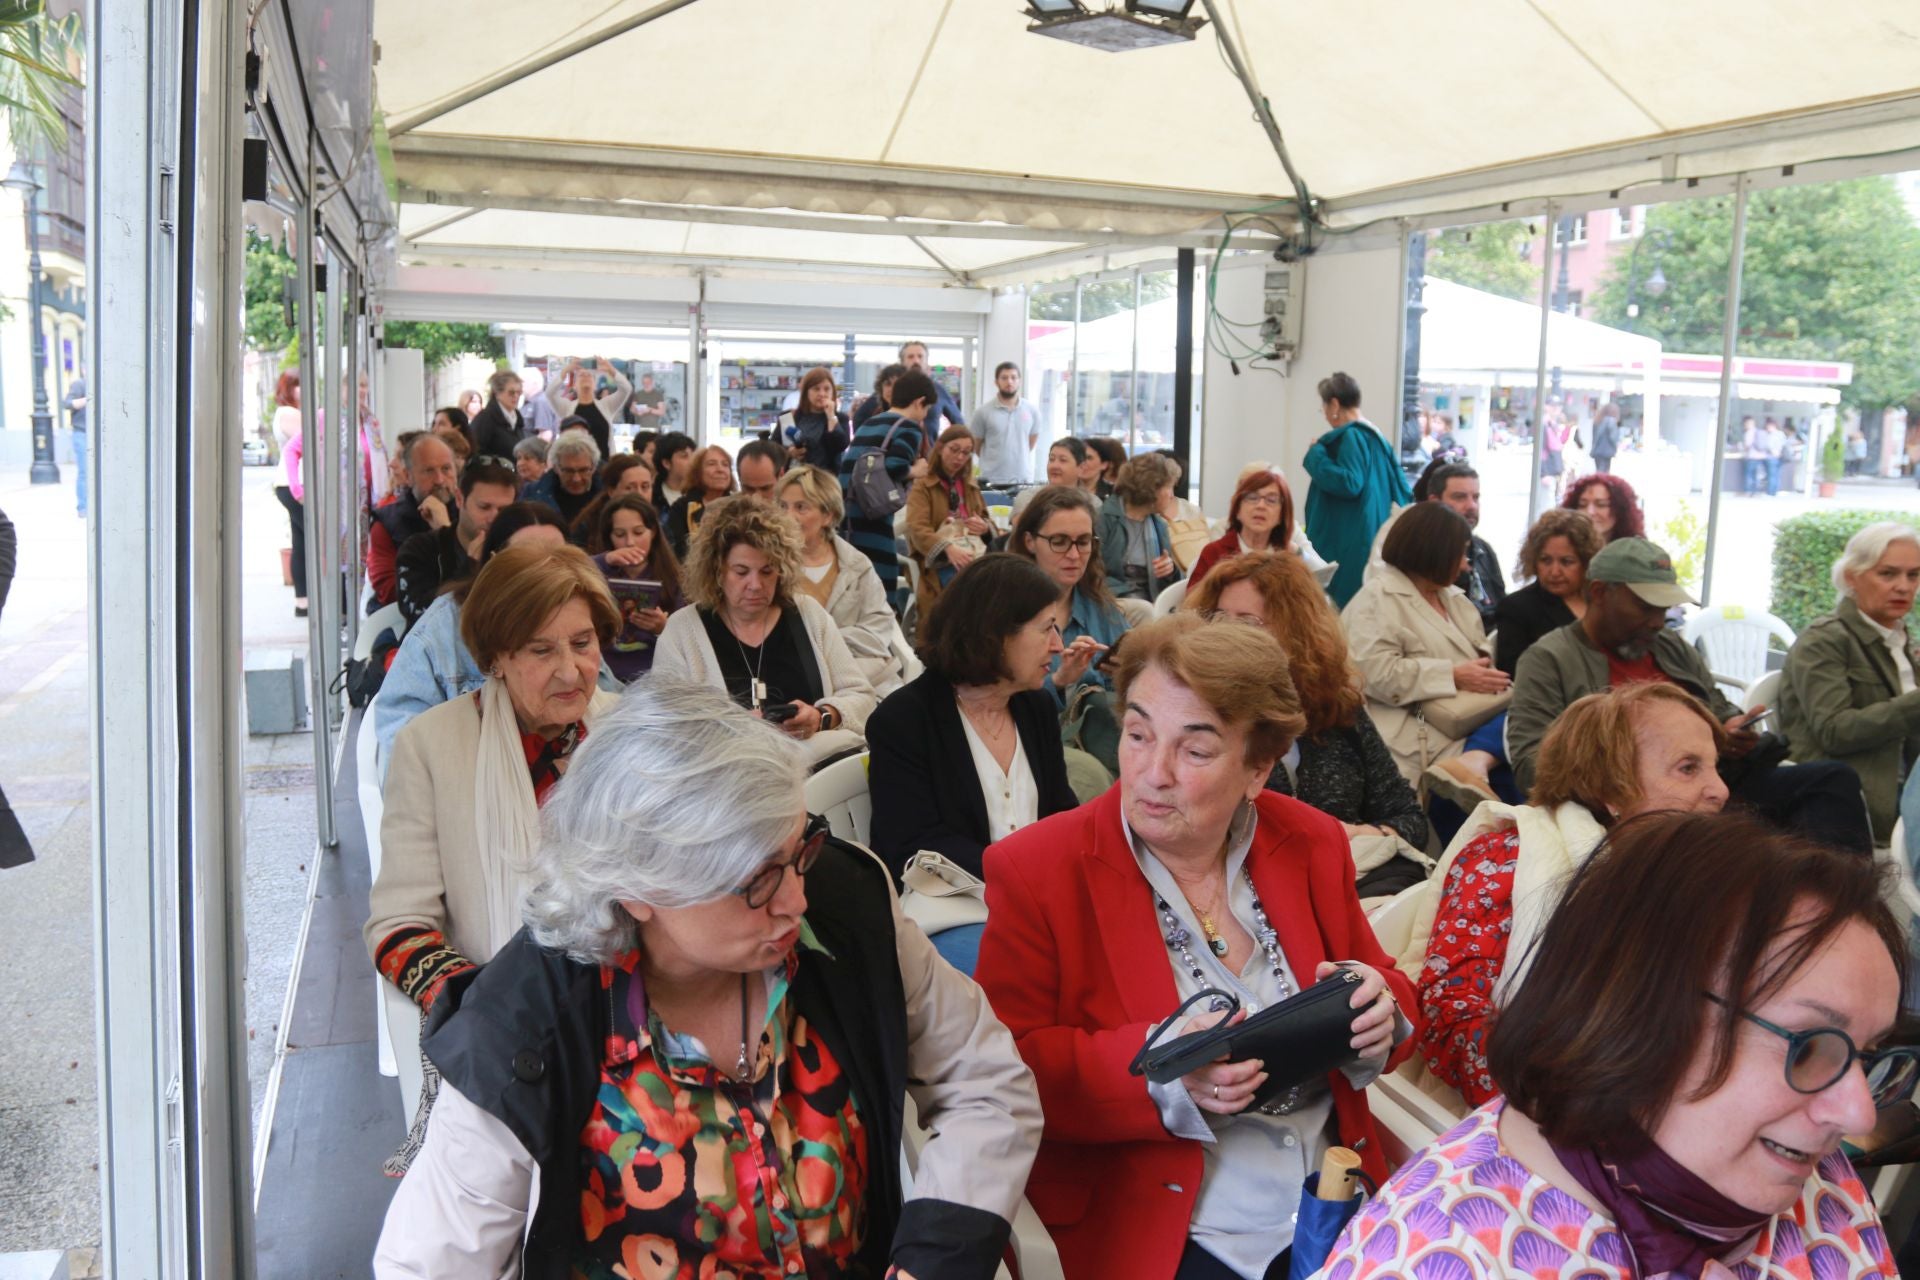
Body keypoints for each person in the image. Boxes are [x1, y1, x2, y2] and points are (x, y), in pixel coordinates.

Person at [372, 680, 1042, 1279]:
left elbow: (984, 1078)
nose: (795, 902)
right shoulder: (524, 1029)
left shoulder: (847, 912)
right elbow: (426, 1262)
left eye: (797, 848)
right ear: (635, 889)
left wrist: (938, 1254)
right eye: (753, 882)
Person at [974, 614, 1416, 1280]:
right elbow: (1007, 1069)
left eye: (1196, 750)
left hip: (1330, 1196)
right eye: (1138, 734)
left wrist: (1385, 1010)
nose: (1153, 773)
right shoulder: (1037, 870)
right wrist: (1164, 1073)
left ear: (1258, 767)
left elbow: (1381, 980)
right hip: (1166, 1218)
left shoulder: (1311, 842)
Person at [1324, 809, 1910, 1280]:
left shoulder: (1797, 1165)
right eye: (1808, 1046)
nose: (1859, 1112)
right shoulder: (1437, 1258)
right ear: (1638, 1007)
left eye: (1866, 1055)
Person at [1408, 683, 1729, 1106]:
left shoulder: (1693, 875)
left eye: (1715, 767)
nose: (1720, 790)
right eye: (1688, 768)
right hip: (1543, 1121)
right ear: (1612, 789)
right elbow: (1450, 1023)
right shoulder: (1508, 859)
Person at [366, 543, 622, 1015]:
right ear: (496, 658)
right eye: (541, 650)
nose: (571, 671)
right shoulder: (430, 746)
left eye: (583, 643)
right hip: (498, 1016)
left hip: (626, 1008)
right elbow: (399, 925)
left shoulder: (628, 733)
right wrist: (483, 1007)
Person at [1510, 536, 1873, 853]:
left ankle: (1839, 902)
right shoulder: (1549, 660)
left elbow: (1717, 706)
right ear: (1601, 592)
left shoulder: (1669, 646)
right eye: (1645, 606)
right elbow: (1530, 766)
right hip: (1631, 806)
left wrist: (1730, 730)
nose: (1657, 620)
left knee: (1831, 780)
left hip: (1713, 784)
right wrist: (1622, 761)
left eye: (1664, 608)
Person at [867, 555, 1078, 971]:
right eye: (1046, 628)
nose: (1058, 644)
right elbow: (911, 843)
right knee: (1026, 970)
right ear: (996, 634)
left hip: (1037, 898)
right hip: (955, 907)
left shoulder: (1034, 707)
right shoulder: (905, 720)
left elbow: (1061, 810)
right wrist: (1021, 877)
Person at [1187, 551, 1429, 891]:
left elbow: (1409, 819)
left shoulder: (1336, 707)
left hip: (1349, 885)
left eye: (1246, 622)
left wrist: (1357, 835)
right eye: (1218, 619)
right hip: (1246, 902)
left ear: (1293, 633)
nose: (1226, 635)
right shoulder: (1196, 720)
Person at [653, 497, 876, 768]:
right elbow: (665, 726)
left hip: (817, 777)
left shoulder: (808, 614)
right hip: (727, 785)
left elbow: (862, 697)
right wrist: (733, 729)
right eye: (741, 572)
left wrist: (821, 717)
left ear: (782, 571)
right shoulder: (683, 631)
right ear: (717, 571)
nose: (755, 585)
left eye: (767, 571)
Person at [374, 503, 571, 769]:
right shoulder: (444, 626)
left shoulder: (576, 618)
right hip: (470, 790)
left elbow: (609, 712)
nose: (544, 571)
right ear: (494, 561)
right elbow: (401, 743)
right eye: (527, 558)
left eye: (559, 559)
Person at [1343, 502, 1509, 792]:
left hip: (1470, 718)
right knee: (1501, 776)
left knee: (1524, 727)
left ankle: (1476, 765)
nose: (1465, 564)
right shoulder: (1376, 601)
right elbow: (1375, 674)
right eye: (1460, 553)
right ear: (1435, 552)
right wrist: (1453, 676)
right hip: (1415, 728)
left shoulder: (1455, 599)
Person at [1779, 522, 1920, 844]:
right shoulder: (1824, 640)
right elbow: (1835, 731)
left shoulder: (1897, 640)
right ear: (1851, 578)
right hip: (1859, 799)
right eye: (1888, 574)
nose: (1904, 586)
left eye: (1913, 575)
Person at [777, 465, 905, 697]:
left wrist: (822, 640)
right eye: (782, 506)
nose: (788, 516)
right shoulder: (770, 568)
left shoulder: (857, 565)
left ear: (828, 515)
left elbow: (878, 632)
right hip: (793, 679)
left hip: (862, 676)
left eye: (801, 507)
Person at [1301, 371, 1411, 607]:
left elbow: (1349, 483)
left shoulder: (1351, 436)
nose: (1324, 413)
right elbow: (1402, 489)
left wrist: (1316, 453)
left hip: (1349, 541)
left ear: (1334, 404)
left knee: (1340, 609)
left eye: (1323, 405)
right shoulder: (1377, 438)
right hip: (1371, 536)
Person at [1008, 485, 1125, 704]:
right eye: (1059, 542)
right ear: (1029, 542)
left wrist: (1125, 674)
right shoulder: (1004, 610)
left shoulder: (1101, 608)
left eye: (1083, 542)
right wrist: (1059, 681)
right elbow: (993, 701)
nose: (1073, 555)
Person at [1367, 460, 1506, 629]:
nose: (1471, 506)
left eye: (1475, 497)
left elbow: (1501, 609)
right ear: (1434, 501)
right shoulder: (1415, 552)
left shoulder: (1483, 550)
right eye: (1460, 497)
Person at [840, 369, 935, 606]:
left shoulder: (871, 422)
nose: (924, 416)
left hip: (847, 515)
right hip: (872, 516)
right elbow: (895, 466)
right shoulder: (909, 427)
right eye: (926, 410)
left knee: (854, 591)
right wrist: (918, 469)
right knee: (881, 593)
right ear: (919, 402)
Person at [393, 456, 520, 627]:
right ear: (459, 499)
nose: (494, 518)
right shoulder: (420, 549)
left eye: (504, 510)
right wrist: (470, 571)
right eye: (484, 507)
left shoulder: (518, 550)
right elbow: (419, 614)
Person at [582, 494, 684, 683]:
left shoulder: (673, 578)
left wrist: (662, 628)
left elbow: (687, 639)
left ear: (653, 532)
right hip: (605, 675)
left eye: (638, 532)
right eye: (620, 535)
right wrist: (605, 559)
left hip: (655, 676)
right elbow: (568, 571)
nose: (630, 542)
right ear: (609, 536)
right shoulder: (598, 571)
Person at [904, 423, 992, 634]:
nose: (960, 458)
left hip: (973, 553)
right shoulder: (924, 485)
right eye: (954, 450)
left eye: (966, 453)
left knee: (998, 580)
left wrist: (984, 527)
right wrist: (947, 548)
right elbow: (917, 528)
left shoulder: (970, 485)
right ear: (941, 447)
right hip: (937, 561)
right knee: (967, 586)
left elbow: (988, 521)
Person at [1493, 506, 1602, 676]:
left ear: (1587, 562)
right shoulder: (1516, 608)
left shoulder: (1601, 601)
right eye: (1545, 560)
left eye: (1566, 562)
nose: (1554, 571)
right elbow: (1513, 672)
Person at [369, 433, 460, 607]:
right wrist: (444, 535)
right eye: (429, 471)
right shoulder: (386, 522)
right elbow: (389, 591)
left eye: (446, 469)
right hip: (400, 620)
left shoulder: (471, 513)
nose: (440, 480)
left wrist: (445, 529)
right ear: (407, 476)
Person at [1186, 468, 1295, 589]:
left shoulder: (1288, 558)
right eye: (1253, 497)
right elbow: (1193, 604)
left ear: (1282, 514)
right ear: (1237, 509)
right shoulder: (1215, 552)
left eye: (1271, 500)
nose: (1261, 506)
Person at [1097, 452, 1179, 605]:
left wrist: (1170, 570)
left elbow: (1171, 586)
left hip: (1150, 603)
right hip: (1111, 602)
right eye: (1169, 487)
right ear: (1152, 488)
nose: (1172, 495)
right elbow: (1091, 574)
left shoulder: (1159, 525)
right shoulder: (1103, 519)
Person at [270, 371, 308, 616]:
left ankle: (302, 601)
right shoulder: (290, 414)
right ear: (289, 389)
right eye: (299, 385)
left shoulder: (284, 413)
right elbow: (312, 441)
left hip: (289, 483)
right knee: (310, 540)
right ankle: (305, 599)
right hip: (296, 484)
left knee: (301, 541)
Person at [545, 356, 630, 458]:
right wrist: (566, 370)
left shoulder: (607, 405)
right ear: (574, 385)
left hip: (603, 465)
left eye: (589, 375)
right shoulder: (566, 407)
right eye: (581, 375)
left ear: (595, 385)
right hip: (576, 464)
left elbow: (626, 389)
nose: (585, 376)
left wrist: (611, 370)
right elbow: (549, 393)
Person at [974, 361, 1041, 484]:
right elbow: (977, 446)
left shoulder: (1032, 411)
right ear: (996, 382)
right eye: (1004, 378)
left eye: (1013, 377)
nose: (1009, 382)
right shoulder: (983, 412)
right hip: (991, 479)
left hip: (1023, 479)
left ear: (1019, 381)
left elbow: (1030, 444)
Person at [664, 443, 736, 558]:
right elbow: (677, 550)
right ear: (697, 472)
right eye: (711, 464)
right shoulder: (681, 508)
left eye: (725, 465)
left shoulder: (739, 506)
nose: (720, 470)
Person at [520, 428, 602, 529]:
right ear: (556, 468)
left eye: (583, 470)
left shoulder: (609, 495)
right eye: (568, 471)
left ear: (594, 467)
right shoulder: (532, 495)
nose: (576, 479)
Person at [777, 366, 851, 473]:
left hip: (826, 481)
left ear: (833, 392)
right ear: (806, 392)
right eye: (816, 389)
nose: (822, 394)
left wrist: (831, 416)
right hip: (795, 480)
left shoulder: (840, 419)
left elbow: (841, 445)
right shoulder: (790, 416)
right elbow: (774, 448)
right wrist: (789, 452)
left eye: (826, 389)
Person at [898, 339, 964, 442]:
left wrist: (945, 449)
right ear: (902, 362)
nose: (916, 361)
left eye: (920, 356)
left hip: (929, 454)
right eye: (910, 357)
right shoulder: (891, 389)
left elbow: (959, 425)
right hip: (895, 454)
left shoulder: (938, 390)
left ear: (926, 361)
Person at [1561, 469, 1646, 543]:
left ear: (1620, 510)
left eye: (1601, 505)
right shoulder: (1561, 548)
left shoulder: (1635, 554)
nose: (1589, 512)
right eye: (1582, 505)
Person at [468, 369, 526, 460]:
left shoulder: (518, 420)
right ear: (497, 393)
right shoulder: (485, 419)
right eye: (511, 393)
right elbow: (475, 452)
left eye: (519, 393)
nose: (516, 396)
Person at [652, 430, 698, 512]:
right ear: (666, 463)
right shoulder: (653, 496)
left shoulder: (701, 493)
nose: (692, 461)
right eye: (684, 456)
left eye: (693, 455)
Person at [851, 361, 904, 431]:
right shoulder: (872, 413)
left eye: (897, 385)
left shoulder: (913, 416)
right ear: (881, 388)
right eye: (888, 384)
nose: (891, 389)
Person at [734, 437, 785, 502]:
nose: (756, 499)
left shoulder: (796, 510)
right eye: (749, 489)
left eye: (765, 488)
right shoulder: (722, 510)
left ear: (781, 475)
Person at [514, 365, 558, 439]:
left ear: (534, 383)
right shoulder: (528, 402)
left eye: (522, 382)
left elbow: (545, 436)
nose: (518, 385)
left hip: (532, 449)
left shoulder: (540, 402)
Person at [64, 371, 86, 518]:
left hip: (95, 434)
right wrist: (88, 399)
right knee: (85, 471)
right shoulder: (80, 384)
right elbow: (67, 403)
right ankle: (83, 506)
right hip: (82, 432)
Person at [1590, 402, 1621, 473]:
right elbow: (1613, 437)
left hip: (1597, 451)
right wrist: (1615, 448)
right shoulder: (1611, 421)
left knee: (1599, 472)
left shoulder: (1597, 420)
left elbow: (1594, 437)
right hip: (1607, 452)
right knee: (1605, 473)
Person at [1763, 415, 1788, 495]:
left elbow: (1768, 445)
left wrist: (1773, 451)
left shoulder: (1770, 435)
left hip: (1771, 457)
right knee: (1776, 474)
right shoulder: (1781, 434)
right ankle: (1775, 490)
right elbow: (1784, 444)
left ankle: (1771, 492)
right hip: (1779, 457)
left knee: (1771, 475)